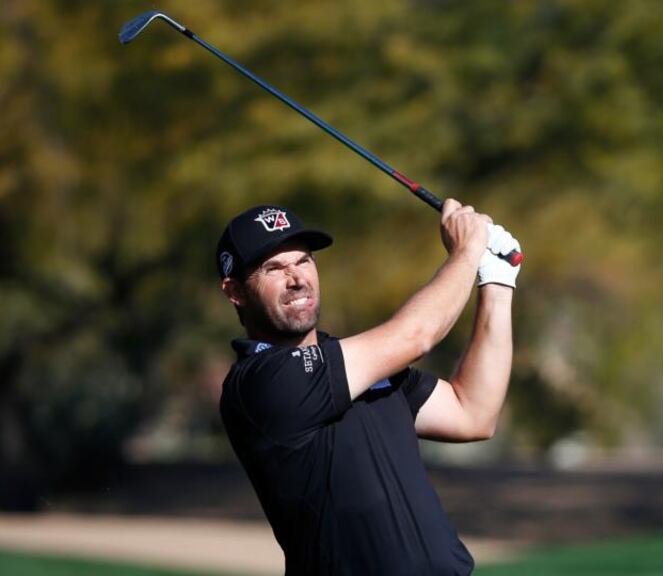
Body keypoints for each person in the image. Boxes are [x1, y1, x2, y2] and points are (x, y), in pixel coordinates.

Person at [216, 200, 521, 575]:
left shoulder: (359, 367)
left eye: (303, 261)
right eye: (273, 268)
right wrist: (467, 250)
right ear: (235, 292)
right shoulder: (261, 381)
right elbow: (416, 335)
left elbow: (473, 413)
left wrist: (497, 281)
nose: (297, 278)